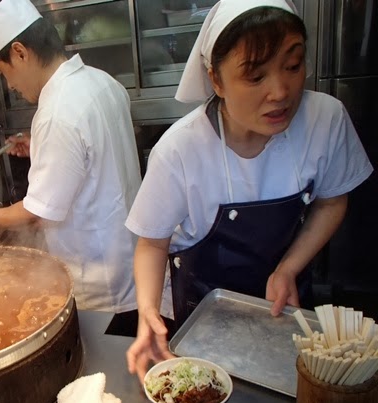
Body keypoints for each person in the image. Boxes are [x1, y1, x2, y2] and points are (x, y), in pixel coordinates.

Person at [124, 0, 373, 381]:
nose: (280, 91)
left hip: (285, 306)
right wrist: (147, 313)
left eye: (293, 66)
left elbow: (332, 202)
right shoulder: (180, 149)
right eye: (256, 76)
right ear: (217, 80)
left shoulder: (325, 119)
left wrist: (289, 267)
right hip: (202, 313)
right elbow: (152, 244)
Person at [0, 0, 142, 313]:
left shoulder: (56, 112)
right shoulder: (102, 81)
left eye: (4, 72)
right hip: (132, 264)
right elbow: (96, 152)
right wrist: (40, 147)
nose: (10, 85)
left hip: (99, 287)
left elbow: (36, 214)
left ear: (20, 52)